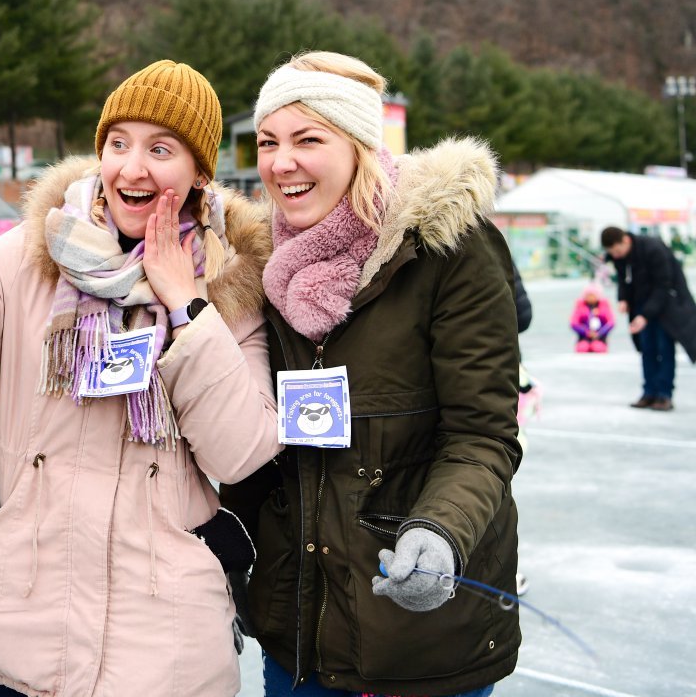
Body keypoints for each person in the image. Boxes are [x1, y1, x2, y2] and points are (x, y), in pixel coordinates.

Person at [0, 60, 281, 696]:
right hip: (25, 619)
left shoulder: (230, 286)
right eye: (119, 143)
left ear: (200, 173)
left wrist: (187, 307)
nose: (133, 167)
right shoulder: (30, 254)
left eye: (162, 149)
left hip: (160, 644)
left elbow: (241, 452)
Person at [220, 51, 522, 697]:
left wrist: (439, 530)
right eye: (268, 141)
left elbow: (483, 435)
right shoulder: (266, 265)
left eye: (308, 139)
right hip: (297, 627)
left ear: (358, 144)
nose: (280, 161)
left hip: (418, 628)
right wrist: (227, 564)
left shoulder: (446, 249)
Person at [602, 225, 696, 411]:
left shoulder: (654, 249)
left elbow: (664, 285)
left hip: (666, 307)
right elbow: (623, 279)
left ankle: (664, 395)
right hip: (642, 306)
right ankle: (649, 392)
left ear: (626, 240)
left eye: (618, 250)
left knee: (664, 349)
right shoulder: (619, 256)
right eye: (613, 252)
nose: (616, 255)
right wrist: (623, 298)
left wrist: (644, 315)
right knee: (647, 349)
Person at [569, 281, 615, 353]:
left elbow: (611, 322)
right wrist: (586, 332)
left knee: (598, 348)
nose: (590, 297)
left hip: (600, 336)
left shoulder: (604, 306)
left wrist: (600, 333)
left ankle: (599, 343)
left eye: (593, 295)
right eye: (588, 295)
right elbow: (573, 323)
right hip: (584, 336)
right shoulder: (580, 306)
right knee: (582, 348)